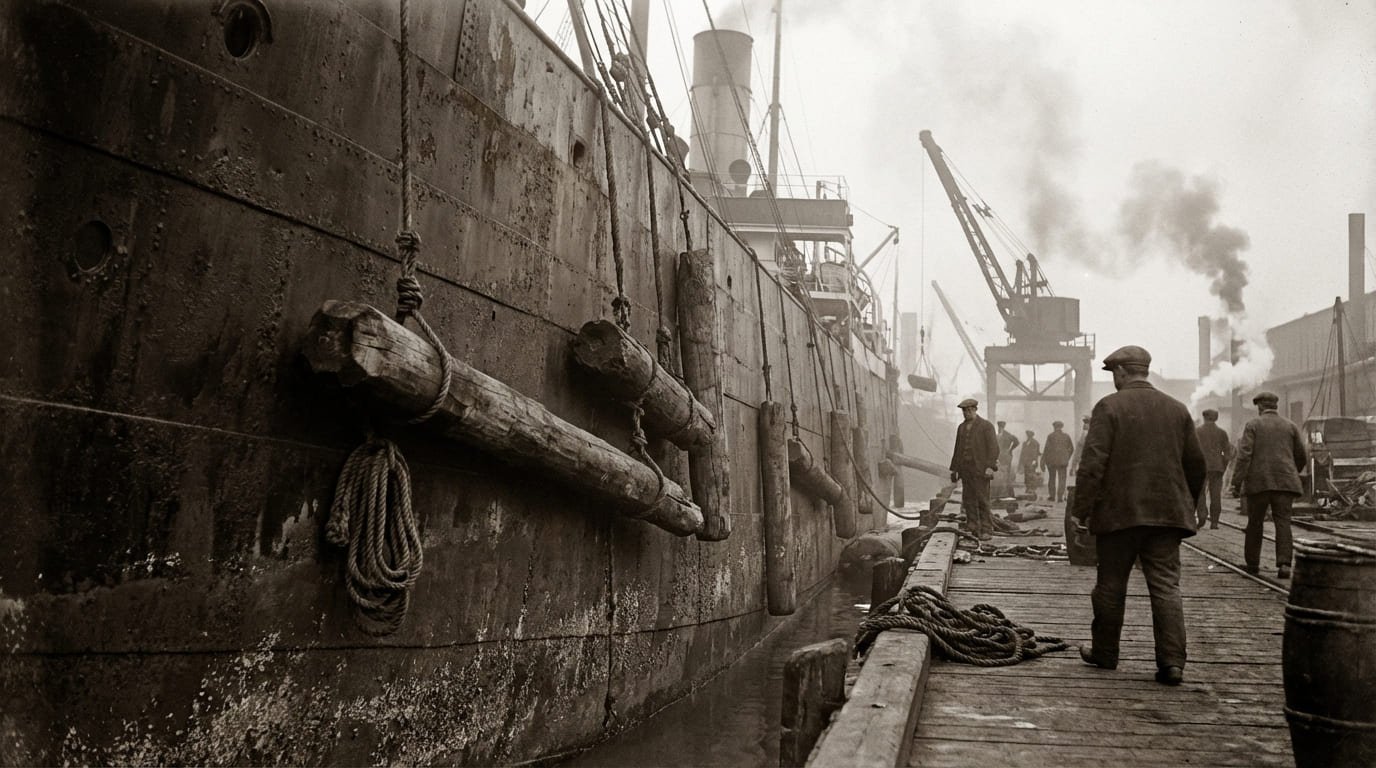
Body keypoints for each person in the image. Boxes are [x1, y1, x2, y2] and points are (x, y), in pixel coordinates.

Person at [1072, 345, 1205, 686]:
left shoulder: (1109, 407)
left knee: (1111, 586)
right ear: (1144, 370)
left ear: (1120, 373)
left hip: (1119, 516)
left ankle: (1105, 653)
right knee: (1165, 587)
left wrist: (1080, 511)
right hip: (1166, 516)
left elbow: (1092, 465)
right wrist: (1188, 504)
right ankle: (1172, 663)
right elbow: (1196, 465)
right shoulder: (1177, 410)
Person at [1230, 392, 1307, 579]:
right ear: (1275, 406)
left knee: (1255, 522)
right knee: (1283, 523)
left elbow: (1244, 455)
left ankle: (1253, 564)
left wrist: (1236, 483)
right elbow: (1301, 455)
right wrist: (1290, 472)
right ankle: (1284, 564)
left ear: (1260, 407)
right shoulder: (1291, 426)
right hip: (1285, 483)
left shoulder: (1253, 425)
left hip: (1259, 483)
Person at [949, 398, 999, 541]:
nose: (967, 413)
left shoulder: (986, 426)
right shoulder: (961, 427)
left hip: (981, 469)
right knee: (968, 499)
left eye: (970, 410)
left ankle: (986, 529)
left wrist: (990, 467)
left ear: (975, 410)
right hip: (966, 469)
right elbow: (957, 449)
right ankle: (972, 528)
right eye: (964, 411)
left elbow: (994, 448)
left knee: (982, 499)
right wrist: (954, 469)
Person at [1194, 409, 1234, 530]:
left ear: (1204, 417)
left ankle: (1202, 516)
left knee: (1200, 493)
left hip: (1201, 467)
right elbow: (1227, 452)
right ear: (1216, 418)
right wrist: (1223, 465)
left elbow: (1192, 450)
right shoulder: (1222, 433)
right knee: (1216, 495)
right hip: (1217, 468)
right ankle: (1215, 522)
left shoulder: (1197, 431)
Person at [1042, 420, 1074, 503]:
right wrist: (1067, 458)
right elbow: (1071, 449)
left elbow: (1046, 450)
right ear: (1061, 427)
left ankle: (1052, 497)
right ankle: (1060, 497)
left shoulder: (1050, 436)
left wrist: (1045, 460)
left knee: (1052, 479)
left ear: (1054, 427)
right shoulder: (1066, 436)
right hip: (1063, 462)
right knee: (1062, 479)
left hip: (1052, 462)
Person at [996, 421, 1019, 497]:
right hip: (999, 456)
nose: (999, 428)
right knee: (1000, 474)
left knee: (1006, 475)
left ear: (1003, 427)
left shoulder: (1008, 435)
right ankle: (1001, 493)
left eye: (1001, 427)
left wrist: (1010, 449)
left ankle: (1009, 494)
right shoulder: (997, 435)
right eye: (999, 427)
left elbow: (1017, 442)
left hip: (1006, 456)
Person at [1019, 430, 1042, 498]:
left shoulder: (1035, 443)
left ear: (1031, 436)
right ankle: (1028, 488)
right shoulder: (1025, 443)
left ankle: (1032, 489)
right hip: (1026, 462)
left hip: (1032, 462)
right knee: (1026, 475)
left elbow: (1036, 452)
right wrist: (1021, 462)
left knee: (1032, 475)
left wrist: (1034, 461)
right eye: (1027, 435)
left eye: (1029, 435)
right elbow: (1022, 453)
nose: (1028, 436)